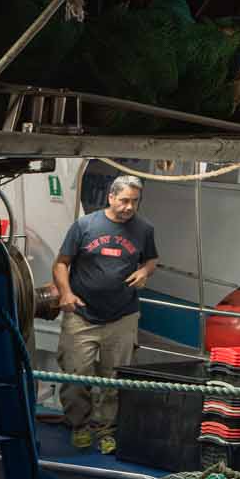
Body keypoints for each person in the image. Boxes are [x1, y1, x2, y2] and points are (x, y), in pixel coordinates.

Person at [53, 174, 158, 453]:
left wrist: (144, 271)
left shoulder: (144, 229)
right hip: (81, 314)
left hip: (123, 317)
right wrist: (65, 293)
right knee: (76, 376)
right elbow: (62, 263)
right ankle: (80, 426)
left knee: (114, 379)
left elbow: (151, 259)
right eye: (124, 200)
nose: (129, 207)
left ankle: (107, 429)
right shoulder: (85, 226)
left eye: (134, 202)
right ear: (110, 197)